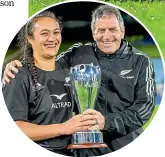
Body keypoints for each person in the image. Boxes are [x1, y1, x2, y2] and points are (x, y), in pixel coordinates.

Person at [3, 5, 156, 153]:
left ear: (122, 31)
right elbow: (46, 64)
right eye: (101, 30)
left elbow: (145, 108)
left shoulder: (141, 61)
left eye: (112, 29)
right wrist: (14, 66)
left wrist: (106, 122)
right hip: (84, 147)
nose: (107, 36)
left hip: (126, 143)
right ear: (93, 32)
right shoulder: (78, 53)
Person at [2, 11, 101, 156]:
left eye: (56, 32)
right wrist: (64, 128)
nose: (52, 38)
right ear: (30, 38)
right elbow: (15, 128)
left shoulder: (67, 72)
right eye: (44, 33)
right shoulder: (18, 75)